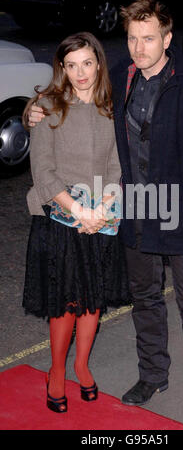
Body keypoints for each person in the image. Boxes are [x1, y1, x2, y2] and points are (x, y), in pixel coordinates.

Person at [27, 0, 183, 425]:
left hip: (182, 211)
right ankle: (153, 374)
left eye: (149, 38)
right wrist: (36, 108)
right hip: (134, 208)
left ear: (168, 39)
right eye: (133, 39)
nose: (139, 47)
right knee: (145, 299)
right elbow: (74, 91)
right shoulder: (119, 76)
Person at [22, 31, 130, 413]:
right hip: (60, 219)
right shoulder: (49, 106)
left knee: (92, 302)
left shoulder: (113, 106)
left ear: (99, 63)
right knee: (65, 302)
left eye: (87, 63)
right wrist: (80, 212)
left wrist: (103, 207)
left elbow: (119, 164)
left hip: (101, 215)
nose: (80, 72)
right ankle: (56, 371)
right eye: (71, 65)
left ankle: (81, 365)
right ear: (62, 69)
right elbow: (44, 173)